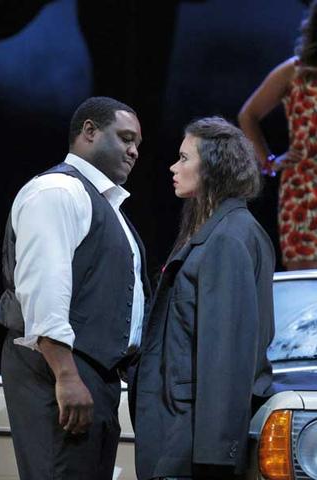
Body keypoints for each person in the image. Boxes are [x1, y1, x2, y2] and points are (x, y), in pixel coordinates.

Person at [0, 96, 152, 480]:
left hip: (93, 372)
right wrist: (66, 374)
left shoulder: (106, 205)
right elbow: (44, 286)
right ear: (89, 131)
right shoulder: (58, 191)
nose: (133, 151)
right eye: (126, 138)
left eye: (138, 145)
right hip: (60, 367)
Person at [133, 116, 276, 480]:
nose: (173, 167)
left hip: (193, 441)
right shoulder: (216, 232)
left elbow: (227, 351)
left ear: (213, 166)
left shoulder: (228, 238)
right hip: (181, 432)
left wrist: (214, 456)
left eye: (184, 158)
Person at [238, 0, 317, 271]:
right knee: (306, 288)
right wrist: (269, 161)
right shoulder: (295, 71)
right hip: (304, 188)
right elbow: (248, 115)